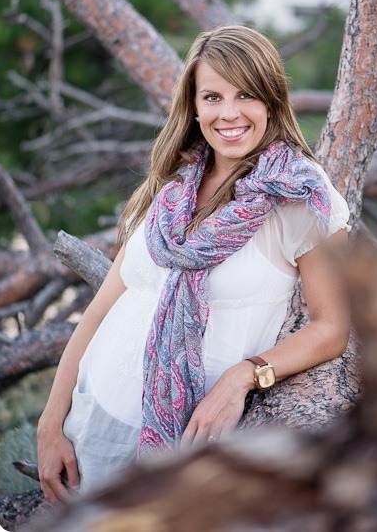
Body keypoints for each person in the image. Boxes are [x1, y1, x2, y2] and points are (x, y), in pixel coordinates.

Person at [37, 25, 351, 504]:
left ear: (271, 99)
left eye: (246, 94)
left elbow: (332, 328)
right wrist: (49, 423)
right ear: (195, 105)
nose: (228, 113)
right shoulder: (172, 188)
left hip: (193, 444)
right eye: (212, 96)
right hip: (94, 426)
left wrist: (244, 375)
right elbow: (100, 312)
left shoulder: (300, 196)